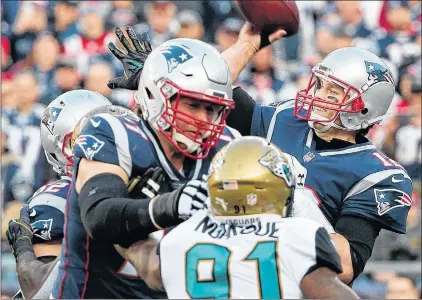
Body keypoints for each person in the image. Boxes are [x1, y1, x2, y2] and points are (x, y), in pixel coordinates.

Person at [107, 23, 413, 285]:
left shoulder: (376, 174)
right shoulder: (285, 118)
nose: (317, 96)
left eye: (332, 93)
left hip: (287, 282)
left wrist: (287, 200)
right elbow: (215, 90)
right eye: (318, 84)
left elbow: (345, 265)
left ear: (363, 109)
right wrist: (165, 79)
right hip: (228, 263)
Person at [52, 27, 240, 299]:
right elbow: (99, 215)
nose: (204, 120)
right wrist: (171, 205)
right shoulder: (113, 132)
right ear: (156, 94)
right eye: (192, 105)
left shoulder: (226, 146)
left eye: (212, 109)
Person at [115, 137, 360, 299]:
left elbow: (145, 262)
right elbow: (329, 292)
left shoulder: (180, 238)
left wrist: (132, 210)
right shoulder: (297, 234)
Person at [6, 90, 160, 299]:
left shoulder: (154, 181)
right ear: (62, 149)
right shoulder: (58, 196)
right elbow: (44, 291)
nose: (106, 143)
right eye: (90, 138)